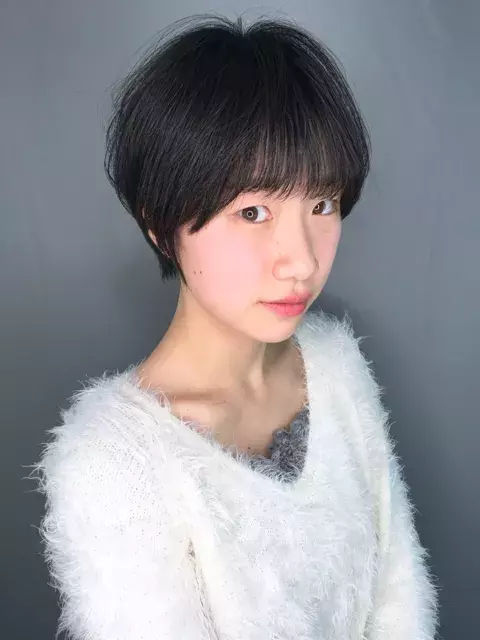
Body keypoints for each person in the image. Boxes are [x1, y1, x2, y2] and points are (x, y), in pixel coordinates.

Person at [31, 15, 439, 640]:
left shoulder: (334, 365)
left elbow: (399, 600)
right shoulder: (114, 462)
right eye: (252, 212)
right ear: (159, 223)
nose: (301, 261)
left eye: (322, 204)